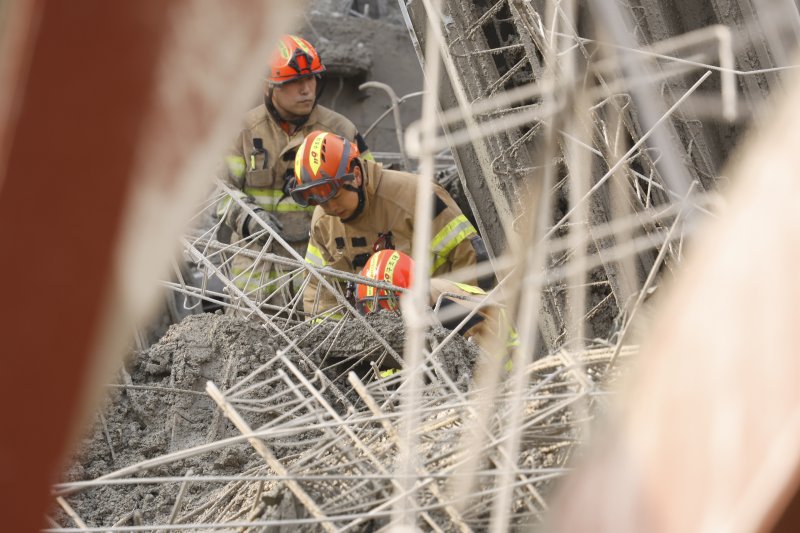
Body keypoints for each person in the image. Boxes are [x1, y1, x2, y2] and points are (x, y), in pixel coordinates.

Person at [216, 35, 372, 304]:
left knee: (323, 327)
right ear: (269, 86)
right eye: (293, 82)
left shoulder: (341, 131)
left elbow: (370, 189)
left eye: (311, 79)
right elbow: (218, 191)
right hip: (256, 273)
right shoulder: (242, 132)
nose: (306, 90)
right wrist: (250, 219)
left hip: (321, 265)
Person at [288, 130, 491, 317]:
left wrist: (463, 322)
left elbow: (470, 256)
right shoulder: (323, 222)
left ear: (356, 176)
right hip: (371, 335)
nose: (330, 207)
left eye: (335, 196)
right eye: (321, 202)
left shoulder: (416, 197)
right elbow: (320, 292)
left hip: (439, 321)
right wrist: (332, 341)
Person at [354, 250, 514, 351]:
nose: (378, 318)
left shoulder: (451, 313)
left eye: (382, 309)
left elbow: (477, 365)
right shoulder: (427, 297)